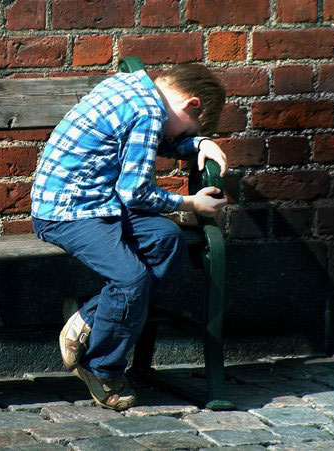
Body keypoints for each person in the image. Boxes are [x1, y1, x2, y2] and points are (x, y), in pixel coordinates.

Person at [30, 64, 228, 410]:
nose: (175, 138)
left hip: (99, 204)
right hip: (68, 213)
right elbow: (135, 192)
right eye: (187, 129)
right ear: (192, 103)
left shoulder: (134, 89)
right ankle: (100, 367)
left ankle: (90, 316)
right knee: (130, 279)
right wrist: (190, 201)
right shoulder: (149, 111)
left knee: (167, 241)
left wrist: (199, 142)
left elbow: (156, 140)